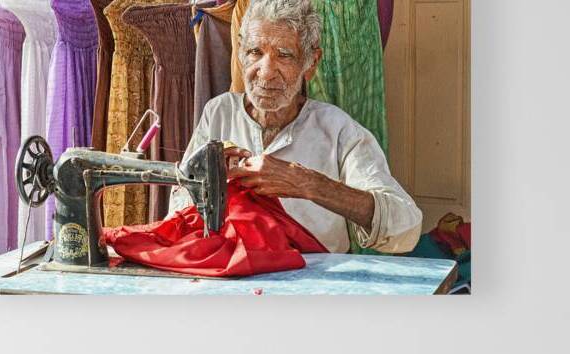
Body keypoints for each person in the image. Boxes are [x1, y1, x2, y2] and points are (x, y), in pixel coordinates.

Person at [170, 0, 421, 253]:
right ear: (241, 52)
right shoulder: (219, 112)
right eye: (255, 52)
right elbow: (177, 210)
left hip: (315, 281)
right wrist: (209, 182)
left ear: (311, 63)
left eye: (285, 55)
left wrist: (308, 183)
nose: (266, 72)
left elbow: (405, 229)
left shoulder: (337, 129)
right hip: (234, 275)